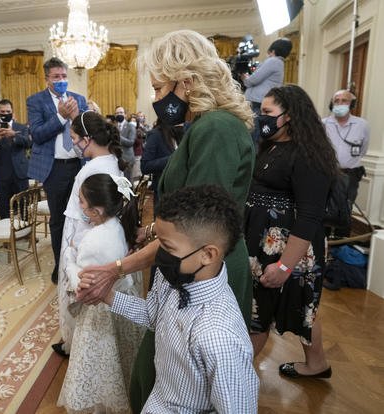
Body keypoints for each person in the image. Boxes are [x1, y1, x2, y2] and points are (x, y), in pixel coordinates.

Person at [76, 29, 255, 412]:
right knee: (162, 365)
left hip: (202, 267)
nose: (155, 99)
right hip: (184, 259)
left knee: (187, 380)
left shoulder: (216, 128)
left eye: (159, 88)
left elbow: (197, 224)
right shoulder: (203, 126)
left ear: (186, 81)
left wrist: (118, 267)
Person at [79, 185, 259, 412]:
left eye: (167, 246)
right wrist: (107, 295)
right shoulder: (175, 277)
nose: (159, 255)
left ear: (208, 254)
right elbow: (153, 315)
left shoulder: (219, 337)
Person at [247, 84, 337, 379]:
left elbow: (309, 216)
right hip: (265, 245)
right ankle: (317, 364)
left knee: (261, 312)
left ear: (289, 116)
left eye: (268, 113)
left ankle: (235, 378)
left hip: (291, 250)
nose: (262, 119)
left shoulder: (308, 155)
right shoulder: (271, 145)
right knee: (302, 307)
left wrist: (285, 265)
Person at [57, 173, 145, 413]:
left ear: (95, 210)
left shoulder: (95, 240)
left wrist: (69, 258)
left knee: (100, 371)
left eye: (82, 202)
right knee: (121, 361)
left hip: (101, 312)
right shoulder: (117, 225)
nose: (79, 205)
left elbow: (81, 284)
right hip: (122, 302)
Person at [53, 110, 128, 357]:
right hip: (102, 227)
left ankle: (74, 342)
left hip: (85, 228)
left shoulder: (90, 169)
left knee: (76, 279)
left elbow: (84, 211)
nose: (73, 143)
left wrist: (73, 244)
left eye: (75, 138)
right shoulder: (112, 160)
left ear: (88, 137)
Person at [26, 57, 88, 284]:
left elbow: (87, 130)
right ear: (47, 79)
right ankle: (60, 265)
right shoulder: (35, 101)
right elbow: (38, 135)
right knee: (59, 220)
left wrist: (75, 117)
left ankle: (79, 260)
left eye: (64, 76)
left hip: (79, 166)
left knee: (83, 216)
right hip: (55, 170)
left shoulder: (78, 99)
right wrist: (61, 116)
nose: (61, 80)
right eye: (56, 77)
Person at [323, 89, 370, 211]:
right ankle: (325, 231)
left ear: (352, 104)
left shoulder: (362, 124)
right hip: (327, 173)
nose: (340, 103)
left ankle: (342, 231)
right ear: (332, 104)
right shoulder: (323, 123)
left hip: (351, 175)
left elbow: (363, 149)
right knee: (325, 207)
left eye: (344, 101)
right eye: (336, 101)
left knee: (345, 208)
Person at [242, 37, 292, 144]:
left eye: (269, 53)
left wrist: (245, 78)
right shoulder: (280, 63)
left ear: (273, 50)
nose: (268, 56)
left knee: (252, 135)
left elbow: (254, 80)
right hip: (261, 101)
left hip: (257, 102)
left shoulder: (273, 61)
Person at [0, 99, 31, 218]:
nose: (5, 113)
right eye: (3, 111)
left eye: (8, 111)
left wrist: (14, 135)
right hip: (2, 173)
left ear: (12, 111)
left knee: (24, 206)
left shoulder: (21, 127)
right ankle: (6, 233)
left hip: (20, 173)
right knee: (4, 208)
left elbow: (28, 143)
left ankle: (26, 233)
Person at [140, 119, 183, 208]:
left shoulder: (182, 133)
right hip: (163, 193)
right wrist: (172, 159)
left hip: (181, 193)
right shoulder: (156, 135)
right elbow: (145, 166)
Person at [115, 106, 136, 180]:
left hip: (127, 160)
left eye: (121, 112)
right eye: (117, 113)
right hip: (116, 159)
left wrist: (118, 136)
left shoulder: (130, 126)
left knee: (128, 182)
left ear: (125, 114)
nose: (119, 114)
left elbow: (131, 142)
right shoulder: (113, 126)